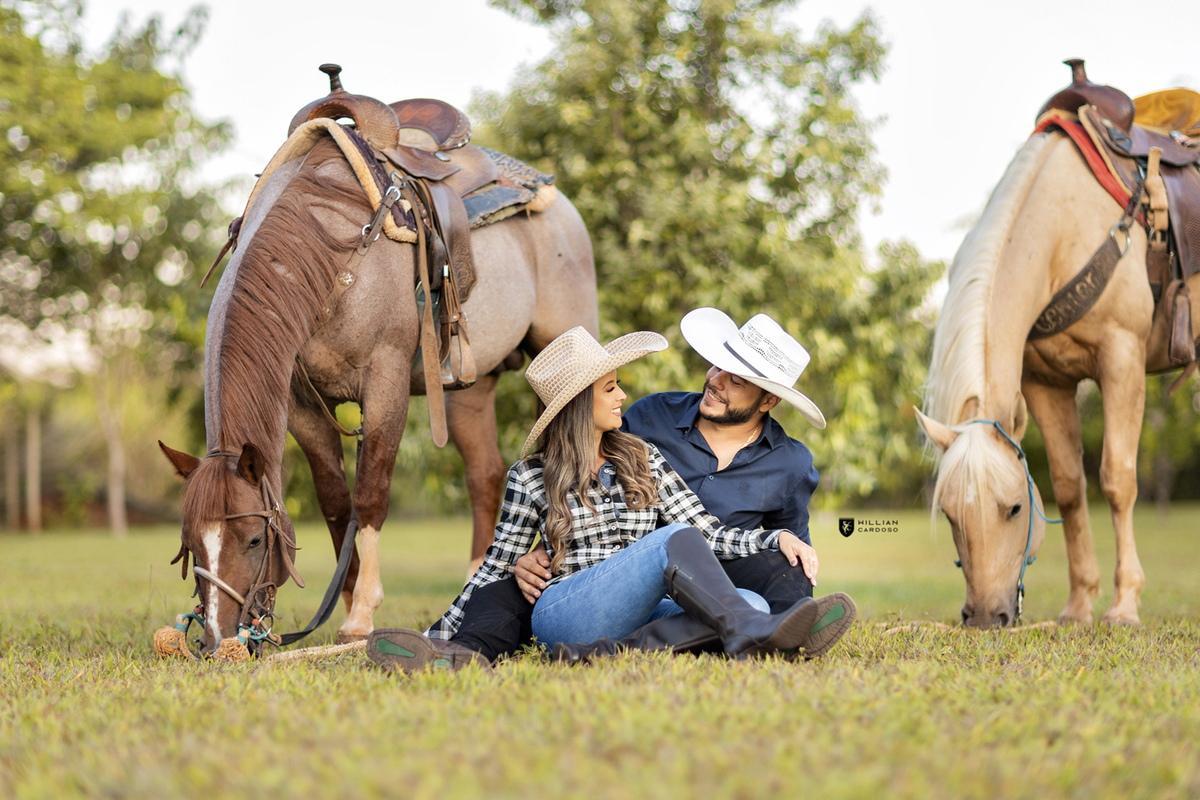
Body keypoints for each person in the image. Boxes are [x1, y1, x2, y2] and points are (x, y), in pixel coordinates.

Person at [366, 311, 856, 673]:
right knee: (676, 542)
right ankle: (453, 658)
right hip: (567, 608)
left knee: (748, 600)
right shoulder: (530, 476)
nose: (624, 396)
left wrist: (775, 541)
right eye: (611, 388)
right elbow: (494, 571)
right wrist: (435, 633)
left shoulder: (643, 457)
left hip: (638, 609)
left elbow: (708, 533)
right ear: (581, 404)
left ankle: (597, 657)